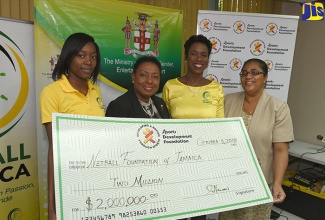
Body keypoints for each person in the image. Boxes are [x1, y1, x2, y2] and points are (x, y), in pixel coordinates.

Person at [39, 33, 105, 220]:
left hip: (99, 177)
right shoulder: (52, 93)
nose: (89, 62)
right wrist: (52, 209)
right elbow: (55, 150)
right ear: (68, 57)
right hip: (70, 181)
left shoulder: (96, 90)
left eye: (93, 57)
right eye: (81, 55)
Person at [219, 58, 294, 220]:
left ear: (265, 78)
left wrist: (277, 184)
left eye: (255, 73)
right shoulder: (227, 101)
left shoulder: (278, 108)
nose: (248, 77)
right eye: (244, 73)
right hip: (230, 180)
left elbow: (281, 150)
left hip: (259, 183)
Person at [162, 34, 224, 220]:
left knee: (199, 211)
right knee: (177, 210)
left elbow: (220, 127)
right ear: (186, 57)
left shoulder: (216, 89)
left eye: (203, 55)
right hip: (175, 160)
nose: (198, 59)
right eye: (194, 54)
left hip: (204, 161)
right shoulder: (170, 86)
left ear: (208, 59)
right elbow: (163, 124)